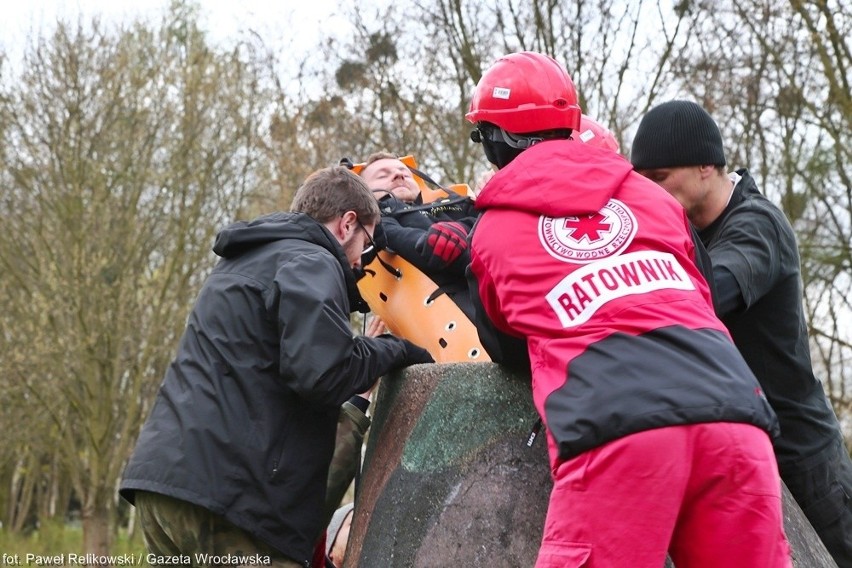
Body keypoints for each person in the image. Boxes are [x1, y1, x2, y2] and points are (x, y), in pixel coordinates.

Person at [465, 51, 791, 567]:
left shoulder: (493, 232)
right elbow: (702, 291)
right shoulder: (653, 198)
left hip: (616, 431)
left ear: (493, 139)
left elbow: (506, 345)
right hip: (734, 419)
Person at [119, 166, 434, 568]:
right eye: (367, 246)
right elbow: (323, 373)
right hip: (231, 504)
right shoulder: (311, 260)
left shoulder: (244, 262)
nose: (361, 265)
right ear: (346, 224)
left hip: (162, 488)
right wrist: (393, 349)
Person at [631, 99, 852, 567]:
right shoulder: (684, 230)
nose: (649, 191)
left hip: (805, 461)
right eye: (642, 181)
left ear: (706, 165)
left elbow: (707, 295)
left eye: (660, 177)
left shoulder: (757, 225)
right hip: (736, 455)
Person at [356, 152, 480, 320]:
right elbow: (412, 243)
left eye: (405, 172)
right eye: (383, 175)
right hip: (457, 309)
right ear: (365, 193)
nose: (399, 174)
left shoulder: (453, 203)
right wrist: (439, 240)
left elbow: (491, 222)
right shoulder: (377, 224)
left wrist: (462, 228)